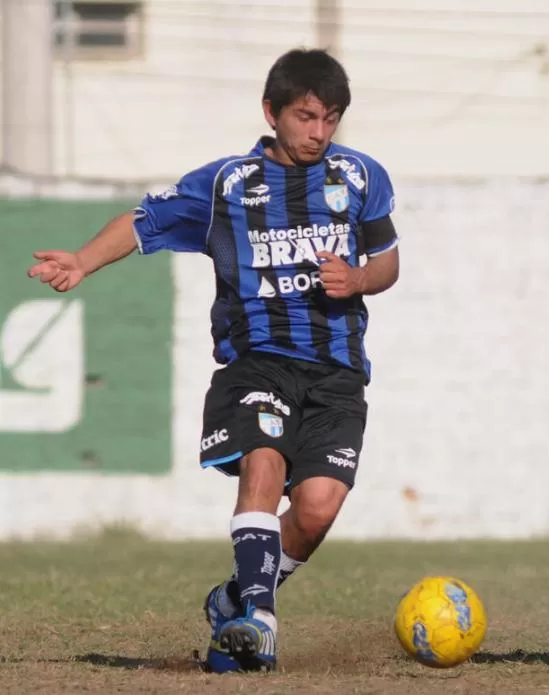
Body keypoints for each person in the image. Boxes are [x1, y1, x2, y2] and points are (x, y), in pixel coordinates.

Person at [26, 49, 400, 672]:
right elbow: (143, 222)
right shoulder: (228, 184)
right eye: (307, 117)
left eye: (331, 119)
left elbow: (386, 259)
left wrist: (359, 279)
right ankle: (259, 618)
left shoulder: (361, 177)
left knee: (315, 510)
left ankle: (231, 599)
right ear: (271, 112)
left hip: (338, 373)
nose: (319, 133)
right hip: (259, 361)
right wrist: (84, 261)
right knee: (262, 462)